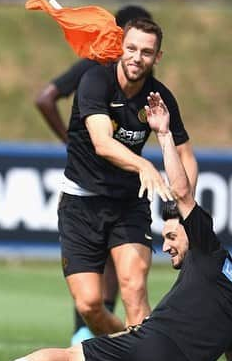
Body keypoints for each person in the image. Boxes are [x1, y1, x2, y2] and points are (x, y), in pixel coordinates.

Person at [0, 92, 232, 361]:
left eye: (172, 236)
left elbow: (182, 191)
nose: (165, 245)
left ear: (196, 229)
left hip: (155, 346)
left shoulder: (206, 243)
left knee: (71, 358)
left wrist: (163, 134)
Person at [56, 18, 198, 339]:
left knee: (134, 287)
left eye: (146, 52)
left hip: (127, 204)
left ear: (157, 57)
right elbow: (102, 143)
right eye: (131, 48)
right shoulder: (95, 81)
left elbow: (185, 155)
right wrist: (145, 167)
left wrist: (182, 212)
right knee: (90, 305)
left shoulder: (159, 98)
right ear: (121, 47)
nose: (137, 57)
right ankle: (129, 347)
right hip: (81, 203)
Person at [34, 5, 152, 345]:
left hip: (123, 189)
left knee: (122, 264)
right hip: (91, 183)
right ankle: (94, 330)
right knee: (101, 267)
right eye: (129, 39)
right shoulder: (95, 69)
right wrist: (72, 141)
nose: (134, 52)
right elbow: (46, 98)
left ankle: (109, 337)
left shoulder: (142, 82)